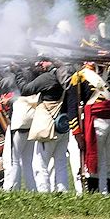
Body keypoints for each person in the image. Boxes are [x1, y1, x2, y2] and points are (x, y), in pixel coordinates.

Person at [66, 61, 110, 194]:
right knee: (93, 164)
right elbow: (72, 107)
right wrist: (77, 131)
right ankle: (94, 197)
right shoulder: (80, 76)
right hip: (95, 122)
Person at [16, 59, 71, 193]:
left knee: (40, 163)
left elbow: (25, 89)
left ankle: (43, 193)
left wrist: (17, 73)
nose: (40, 64)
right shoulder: (67, 76)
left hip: (48, 127)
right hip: (62, 126)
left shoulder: (48, 77)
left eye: (43, 61)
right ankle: (63, 191)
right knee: (61, 162)